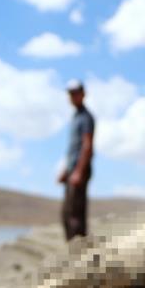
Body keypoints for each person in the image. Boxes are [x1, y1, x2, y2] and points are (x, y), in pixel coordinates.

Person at [57, 79, 95, 241]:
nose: (72, 97)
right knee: (67, 213)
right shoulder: (75, 117)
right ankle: (72, 250)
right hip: (73, 169)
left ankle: (79, 255)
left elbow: (87, 146)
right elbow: (73, 149)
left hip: (80, 170)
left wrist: (79, 171)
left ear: (83, 94)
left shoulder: (86, 117)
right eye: (70, 94)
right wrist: (66, 171)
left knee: (75, 215)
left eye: (75, 93)